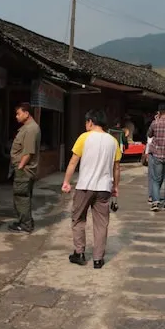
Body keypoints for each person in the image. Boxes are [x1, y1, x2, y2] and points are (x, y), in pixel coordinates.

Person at [62, 109, 121, 269]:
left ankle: (79, 253)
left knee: (78, 218)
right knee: (101, 223)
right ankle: (98, 259)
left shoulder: (84, 137)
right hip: (104, 188)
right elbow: (116, 167)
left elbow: (73, 161)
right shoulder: (113, 141)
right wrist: (115, 186)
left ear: (90, 122)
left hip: (85, 186)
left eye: (86, 122)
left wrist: (66, 181)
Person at [8, 102, 41, 234]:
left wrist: (20, 167)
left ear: (26, 114)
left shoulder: (31, 129)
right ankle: (25, 221)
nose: (16, 116)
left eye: (18, 113)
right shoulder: (28, 127)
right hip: (24, 169)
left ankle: (25, 225)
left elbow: (28, 153)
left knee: (21, 197)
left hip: (25, 170)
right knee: (23, 197)